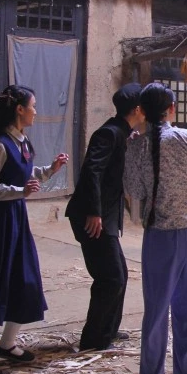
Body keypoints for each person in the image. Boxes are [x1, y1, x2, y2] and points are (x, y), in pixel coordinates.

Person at [0, 85, 69, 374]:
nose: (36, 110)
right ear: (19, 109)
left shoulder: (21, 141)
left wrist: (50, 170)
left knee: (24, 279)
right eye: (33, 105)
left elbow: (24, 174)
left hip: (16, 218)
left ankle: (7, 343)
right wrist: (18, 191)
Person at [124, 82, 187, 374]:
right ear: (171, 109)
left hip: (161, 235)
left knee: (157, 310)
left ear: (142, 112)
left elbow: (134, 190)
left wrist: (133, 151)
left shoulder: (136, 146)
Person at [65, 83, 145, 351]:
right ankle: (94, 340)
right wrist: (94, 211)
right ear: (137, 109)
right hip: (92, 216)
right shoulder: (108, 133)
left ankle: (108, 330)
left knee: (119, 274)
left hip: (106, 216)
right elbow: (92, 171)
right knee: (110, 278)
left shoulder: (122, 133)